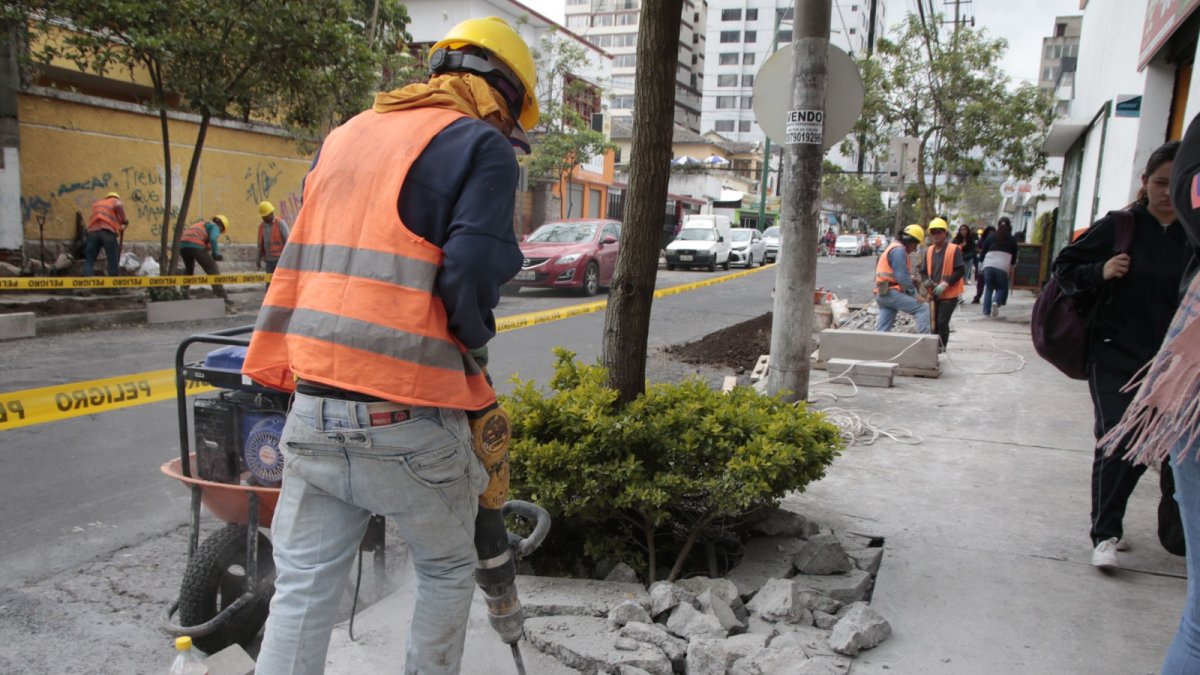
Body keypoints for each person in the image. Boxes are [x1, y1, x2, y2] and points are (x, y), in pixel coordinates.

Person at [242, 16, 534, 674]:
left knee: (304, 586)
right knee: (448, 567)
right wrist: (471, 342)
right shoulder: (477, 147)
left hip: (312, 407)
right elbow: (472, 272)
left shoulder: (344, 138)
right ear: (503, 98)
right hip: (405, 416)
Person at [1053, 140, 1187, 571]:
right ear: (1145, 183)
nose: (1167, 191)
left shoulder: (1193, 232)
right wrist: (1101, 270)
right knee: (1118, 441)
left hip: (1175, 363)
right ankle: (1105, 533)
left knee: (1170, 448)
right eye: (1160, 182)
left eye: (1176, 183)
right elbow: (1065, 267)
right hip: (1115, 355)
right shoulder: (1120, 226)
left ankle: (1177, 534)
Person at [917, 218, 965, 350]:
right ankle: (934, 349)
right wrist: (926, 281)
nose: (936, 235)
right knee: (933, 323)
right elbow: (923, 271)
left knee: (942, 322)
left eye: (939, 232)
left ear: (945, 233)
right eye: (933, 232)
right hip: (934, 293)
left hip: (949, 293)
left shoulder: (953, 249)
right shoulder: (929, 250)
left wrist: (945, 284)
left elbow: (960, 270)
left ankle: (941, 348)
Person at [874, 224, 931, 334]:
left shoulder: (894, 247)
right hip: (891, 293)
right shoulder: (898, 251)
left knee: (882, 330)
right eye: (916, 245)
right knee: (923, 309)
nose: (915, 248)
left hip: (883, 293)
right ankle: (925, 345)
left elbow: (896, 275)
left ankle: (875, 348)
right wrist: (915, 294)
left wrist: (909, 280)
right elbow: (902, 277)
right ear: (911, 241)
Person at [179, 215, 232, 306]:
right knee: (213, 269)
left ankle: (182, 293)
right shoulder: (215, 226)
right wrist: (216, 254)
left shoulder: (202, 224)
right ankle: (222, 298)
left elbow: (204, 239)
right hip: (195, 245)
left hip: (183, 246)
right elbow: (213, 239)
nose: (219, 232)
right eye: (221, 231)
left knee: (189, 271)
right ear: (221, 226)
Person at [978, 218, 1019, 319]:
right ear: (1009, 226)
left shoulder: (991, 236)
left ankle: (986, 312)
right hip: (1003, 266)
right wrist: (1011, 268)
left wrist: (980, 265)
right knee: (1001, 287)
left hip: (988, 264)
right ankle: (996, 301)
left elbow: (983, 251)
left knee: (989, 288)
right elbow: (1014, 256)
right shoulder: (1012, 239)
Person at [84, 192, 128, 277]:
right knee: (112, 259)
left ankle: (87, 283)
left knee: (89, 260)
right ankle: (113, 284)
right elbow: (118, 205)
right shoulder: (114, 201)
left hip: (93, 233)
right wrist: (124, 220)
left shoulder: (98, 203)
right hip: (107, 232)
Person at [255, 200, 290, 275]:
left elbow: (288, 242)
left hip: (280, 260)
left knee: (279, 282)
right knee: (269, 283)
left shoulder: (280, 224)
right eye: (263, 216)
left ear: (271, 213)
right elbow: (260, 245)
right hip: (268, 261)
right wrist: (258, 259)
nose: (264, 218)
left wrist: (288, 259)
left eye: (265, 216)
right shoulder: (261, 227)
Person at [970, 225, 996, 303]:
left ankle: (992, 300)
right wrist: (983, 251)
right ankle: (978, 296)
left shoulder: (996, 241)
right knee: (981, 280)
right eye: (989, 233)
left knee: (990, 282)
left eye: (992, 233)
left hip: (992, 263)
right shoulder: (982, 240)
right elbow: (976, 249)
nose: (990, 235)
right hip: (982, 261)